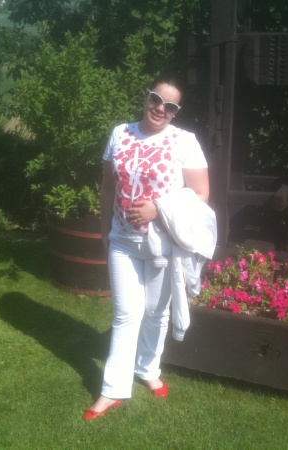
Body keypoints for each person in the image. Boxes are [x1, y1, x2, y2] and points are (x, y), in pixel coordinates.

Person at [83, 74, 210, 420]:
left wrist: (158, 209)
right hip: (122, 241)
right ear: (146, 96)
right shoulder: (120, 134)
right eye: (156, 99)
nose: (160, 108)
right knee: (126, 314)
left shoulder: (185, 141)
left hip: (163, 246)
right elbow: (107, 188)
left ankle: (148, 368)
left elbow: (201, 193)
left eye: (170, 106)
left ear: (176, 112)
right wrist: (104, 231)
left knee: (156, 313)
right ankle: (112, 390)